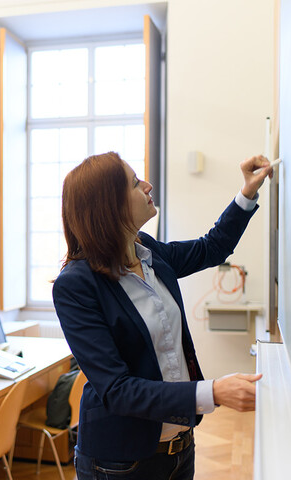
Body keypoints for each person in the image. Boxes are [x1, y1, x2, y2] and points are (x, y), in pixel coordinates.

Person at [53, 152, 272, 480]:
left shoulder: (149, 252)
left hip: (180, 447)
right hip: (119, 463)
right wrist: (212, 391)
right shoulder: (76, 285)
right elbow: (117, 389)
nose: (147, 185)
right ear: (109, 205)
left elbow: (211, 248)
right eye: (134, 182)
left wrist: (248, 193)